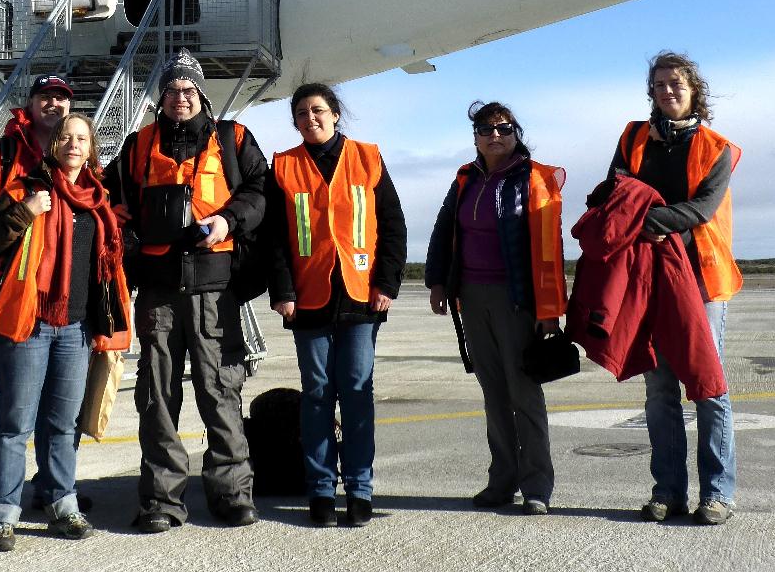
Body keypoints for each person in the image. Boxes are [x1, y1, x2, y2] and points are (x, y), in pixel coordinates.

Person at [109, 49, 267, 531]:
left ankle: (232, 494)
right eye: (172, 90)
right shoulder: (138, 146)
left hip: (215, 290)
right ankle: (161, 500)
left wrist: (227, 218)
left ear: (202, 94)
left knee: (220, 391)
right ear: (161, 98)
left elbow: (260, 191)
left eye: (188, 90)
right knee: (156, 397)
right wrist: (133, 241)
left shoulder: (233, 139)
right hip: (158, 292)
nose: (180, 97)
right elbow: (114, 203)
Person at [0, 112, 130, 552]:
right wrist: (24, 212)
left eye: (82, 138)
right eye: (66, 137)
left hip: (76, 328)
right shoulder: (26, 189)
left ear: (90, 146)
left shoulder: (97, 202)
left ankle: (62, 502)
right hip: (29, 325)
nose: (74, 144)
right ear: (54, 144)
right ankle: (4, 512)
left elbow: (105, 265)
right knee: (14, 424)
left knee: (62, 425)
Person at [607, 51, 741, 526]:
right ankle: (668, 491)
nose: (668, 91)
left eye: (677, 84)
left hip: (702, 281)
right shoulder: (633, 138)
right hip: (649, 280)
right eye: (660, 84)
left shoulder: (716, 147)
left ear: (693, 89)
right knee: (660, 389)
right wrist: (645, 224)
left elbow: (702, 208)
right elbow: (612, 194)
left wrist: (647, 220)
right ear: (652, 91)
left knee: (708, 387)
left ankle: (718, 493)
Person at [266, 83, 407, 528]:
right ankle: (321, 491)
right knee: (317, 395)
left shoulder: (367, 158)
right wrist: (283, 292)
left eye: (319, 110)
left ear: (335, 115)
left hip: (362, 296)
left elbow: (393, 226)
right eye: (303, 113)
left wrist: (386, 284)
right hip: (308, 299)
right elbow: (275, 239)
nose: (312, 118)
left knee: (357, 392)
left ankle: (360, 490)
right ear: (295, 122)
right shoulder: (284, 166)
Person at [425, 100, 566, 515]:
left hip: (517, 298)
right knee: (493, 394)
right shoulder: (466, 178)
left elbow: (550, 250)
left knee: (524, 392)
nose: (495, 136)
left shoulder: (533, 179)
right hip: (471, 295)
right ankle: (502, 481)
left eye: (503, 129)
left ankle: (537, 485)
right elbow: (444, 227)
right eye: (485, 130)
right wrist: (437, 281)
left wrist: (548, 310)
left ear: (516, 132)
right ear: (475, 137)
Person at [0, 73, 78, 521]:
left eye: (62, 98)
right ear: (31, 103)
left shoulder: (75, 158)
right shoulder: (2, 153)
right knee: (2, 400)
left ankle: (50, 487)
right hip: (9, 299)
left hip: (60, 303)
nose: (55, 104)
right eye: (46, 96)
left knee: (57, 408)